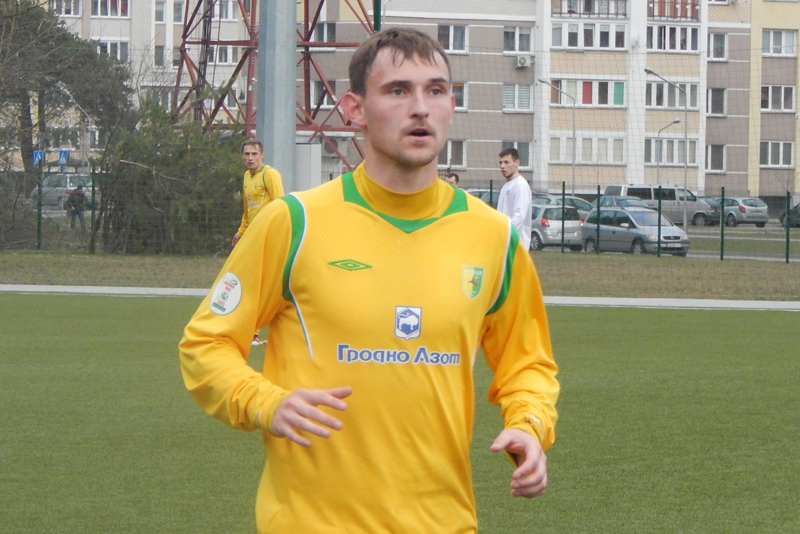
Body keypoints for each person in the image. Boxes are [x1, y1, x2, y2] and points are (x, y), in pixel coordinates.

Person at [179, 28, 558, 534]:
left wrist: (529, 423)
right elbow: (205, 344)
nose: (420, 108)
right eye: (398, 90)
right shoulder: (294, 223)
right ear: (355, 109)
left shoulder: (493, 238)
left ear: (451, 106)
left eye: (436, 90)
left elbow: (527, 363)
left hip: (443, 523)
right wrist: (265, 401)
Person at [232, 138, 285, 345]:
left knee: (264, 284)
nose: (250, 158)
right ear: (242, 156)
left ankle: (259, 332)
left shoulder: (269, 174)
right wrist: (241, 231)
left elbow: (281, 204)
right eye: (246, 154)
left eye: (254, 154)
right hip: (254, 236)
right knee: (254, 283)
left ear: (262, 155)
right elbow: (248, 208)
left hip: (269, 235)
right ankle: (252, 332)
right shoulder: (247, 176)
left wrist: (278, 232)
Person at [496, 147, 532, 251]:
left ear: (517, 163)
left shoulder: (520, 185)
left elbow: (519, 216)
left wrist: (504, 232)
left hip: (516, 245)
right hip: (505, 243)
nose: (502, 166)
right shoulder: (505, 186)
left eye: (506, 162)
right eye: (501, 163)